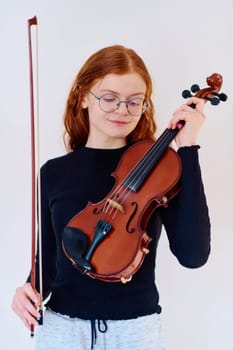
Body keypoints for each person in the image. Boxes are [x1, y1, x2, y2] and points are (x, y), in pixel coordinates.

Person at [12, 45, 211, 350]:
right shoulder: (53, 173)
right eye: (109, 98)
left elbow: (193, 255)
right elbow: (50, 259)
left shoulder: (160, 170)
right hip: (62, 330)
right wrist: (27, 289)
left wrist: (187, 149)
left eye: (134, 102)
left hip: (135, 330)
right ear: (83, 97)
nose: (122, 110)